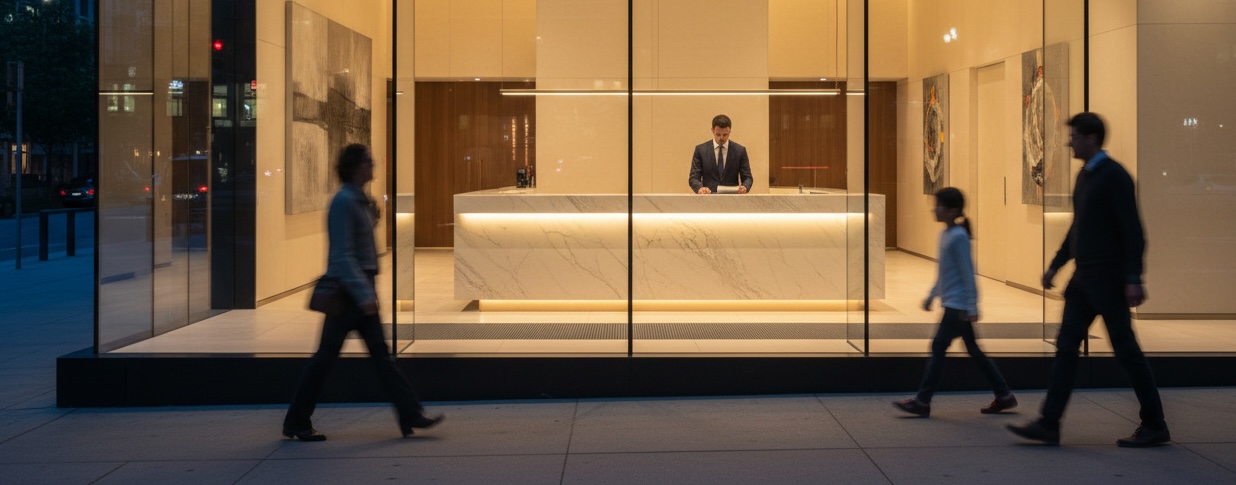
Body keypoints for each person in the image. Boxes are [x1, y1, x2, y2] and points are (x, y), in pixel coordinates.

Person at [1007, 112, 1169, 447]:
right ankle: (1049, 423)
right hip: (1083, 281)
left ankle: (1155, 423)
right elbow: (1078, 229)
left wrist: (1133, 277)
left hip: (1108, 281)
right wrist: (1056, 265)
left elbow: (1133, 231)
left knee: (1126, 352)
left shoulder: (1114, 177)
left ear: (1092, 138)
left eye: (1075, 137)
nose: (1070, 143)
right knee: (1066, 348)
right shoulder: (1086, 177)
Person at [283, 144, 443, 441]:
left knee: (377, 358)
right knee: (328, 359)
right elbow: (342, 255)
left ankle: (410, 414)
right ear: (356, 166)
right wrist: (363, 293)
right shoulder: (344, 201)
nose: (374, 166)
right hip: (349, 294)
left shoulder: (357, 199)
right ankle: (296, 420)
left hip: (358, 289)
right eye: (369, 162)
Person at [892, 187, 1017, 418]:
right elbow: (944, 272)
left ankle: (922, 400)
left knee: (939, 347)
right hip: (954, 303)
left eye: (939, 205)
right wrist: (932, 295)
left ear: (953, 211)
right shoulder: (946, 234)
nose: (934, 209)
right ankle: (1004, 395)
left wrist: (972, 306)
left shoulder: (958, 237)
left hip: (958, 306)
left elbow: (968, 273)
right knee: (974, 350)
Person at [688, 114, 753, 194]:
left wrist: (745, 187)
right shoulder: (701, 150)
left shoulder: (739, 151)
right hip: (708, 198)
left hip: (732, 200)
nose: (721, 138)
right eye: (718, 134)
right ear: (712, 130)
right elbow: (693, 178)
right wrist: (700, 188)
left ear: (730, 131)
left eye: (725, 135)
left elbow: (747, 177)